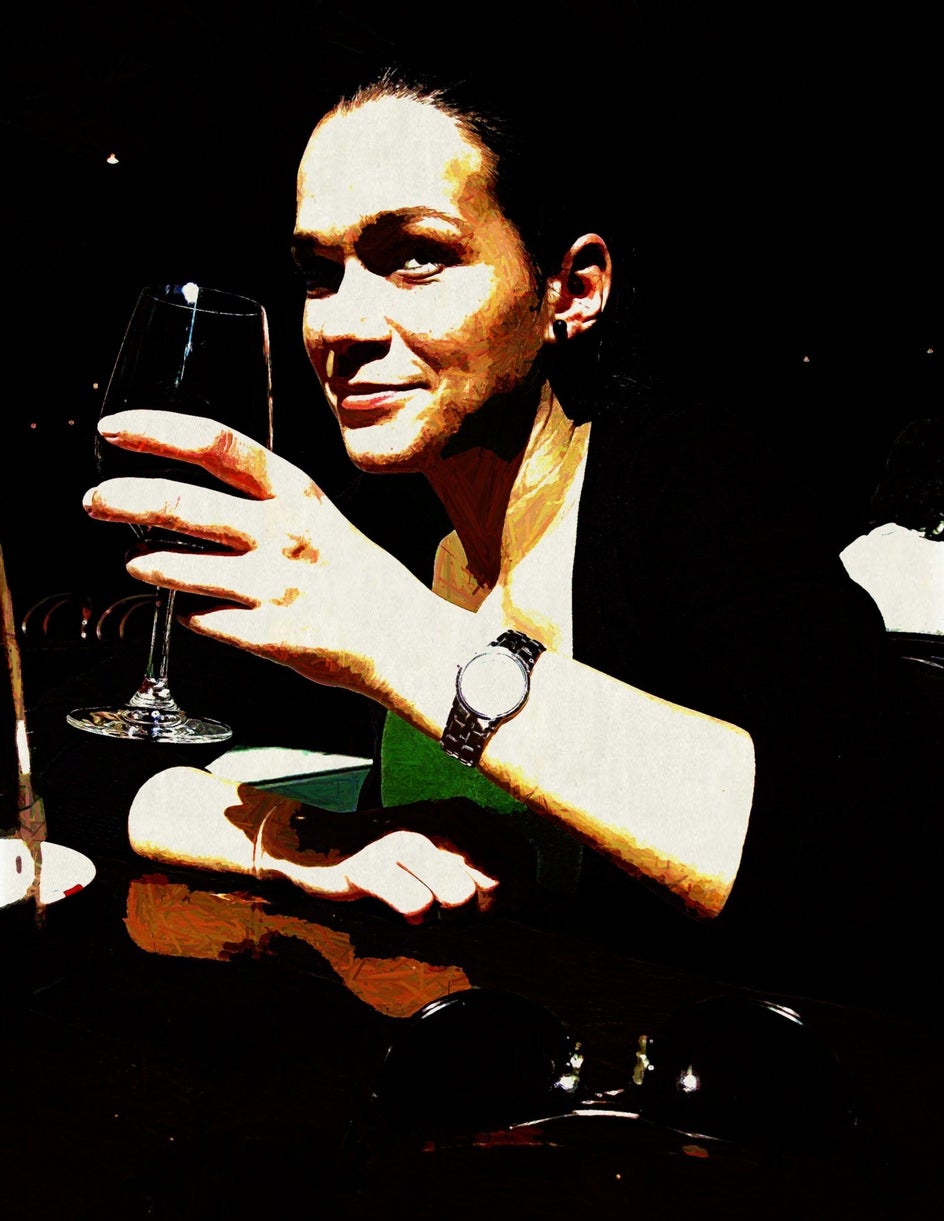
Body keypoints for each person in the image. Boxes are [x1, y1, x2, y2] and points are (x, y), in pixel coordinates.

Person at [84, 66, 907, 1001]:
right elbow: (103, 764)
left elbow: (869, 857)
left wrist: (398, 639)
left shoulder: (689, 487)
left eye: (417, 256)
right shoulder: (383, 523)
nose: (342, 325)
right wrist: (305, 844)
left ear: (571, 290)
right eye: (320, 273)